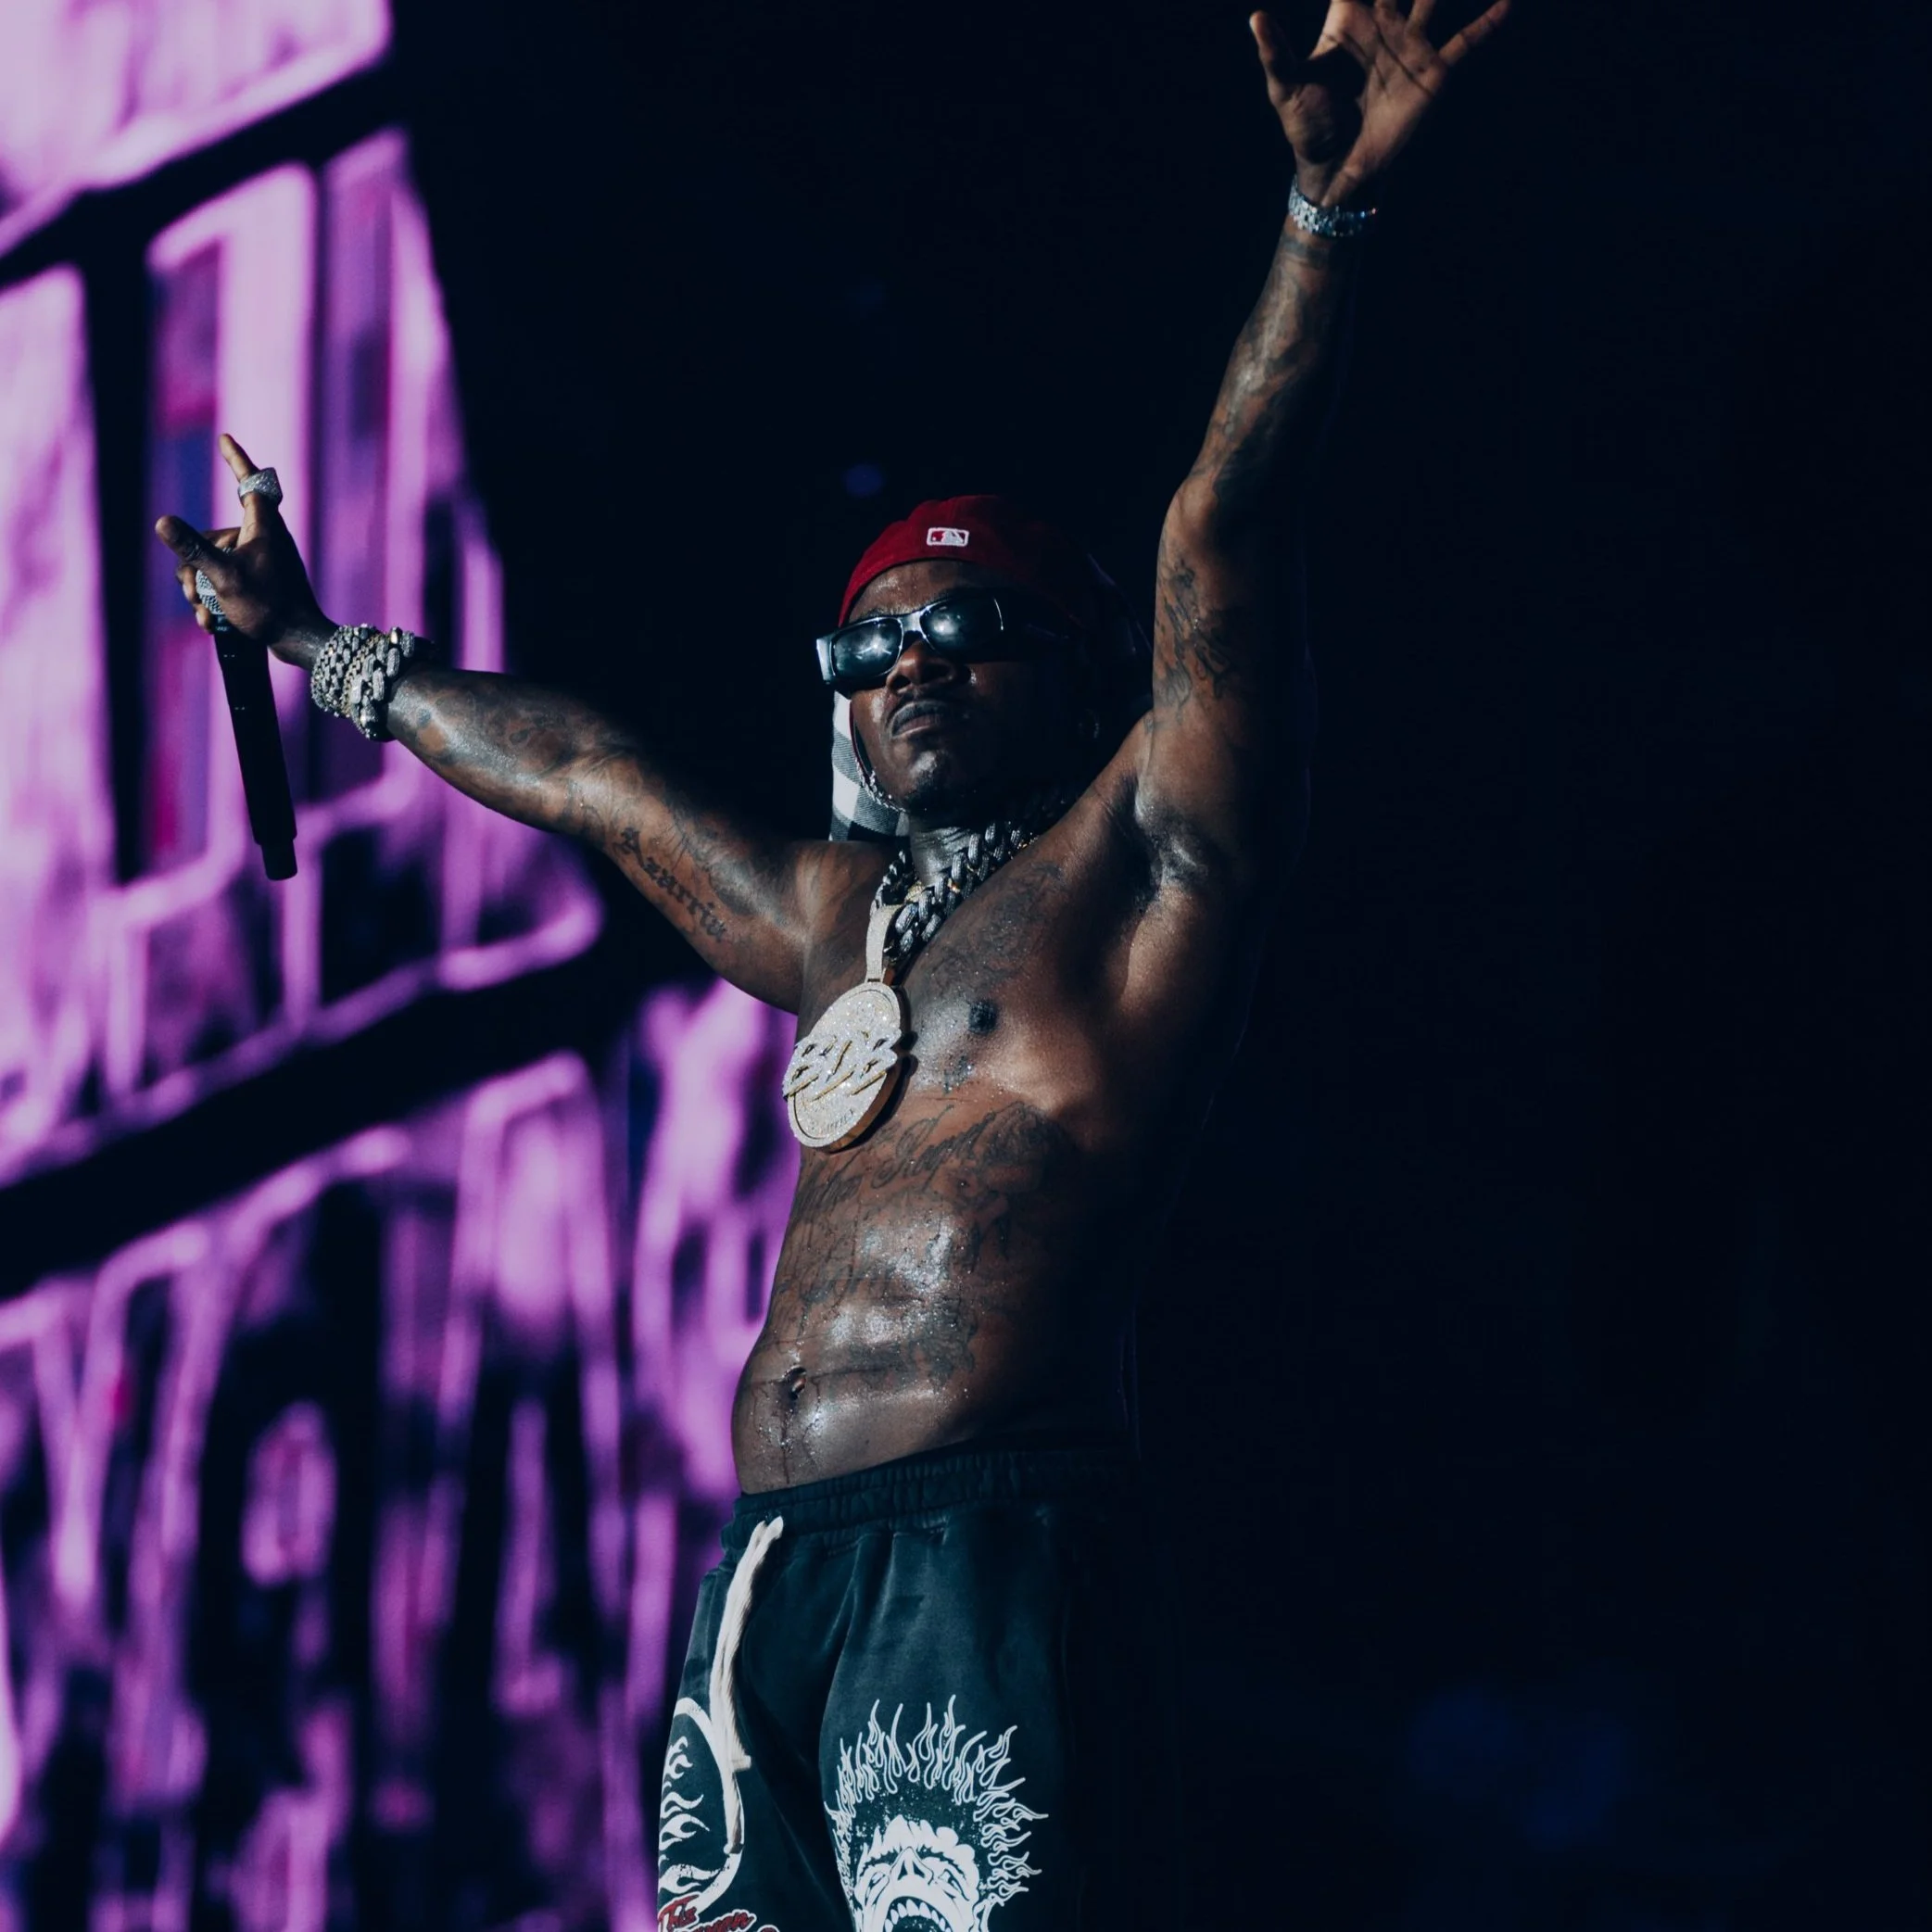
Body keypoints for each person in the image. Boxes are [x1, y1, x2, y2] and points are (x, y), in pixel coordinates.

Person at [157, 6, 1508, 1923]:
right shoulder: (830, 917)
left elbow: (1221, 530)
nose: (913, 668)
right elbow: (588, 780)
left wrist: (1321, 217)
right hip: (768, 1572)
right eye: (869, 651)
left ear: (1070, 662)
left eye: (965, 625)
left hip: (989, 1545)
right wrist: (312, 646)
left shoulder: (1149, 852)